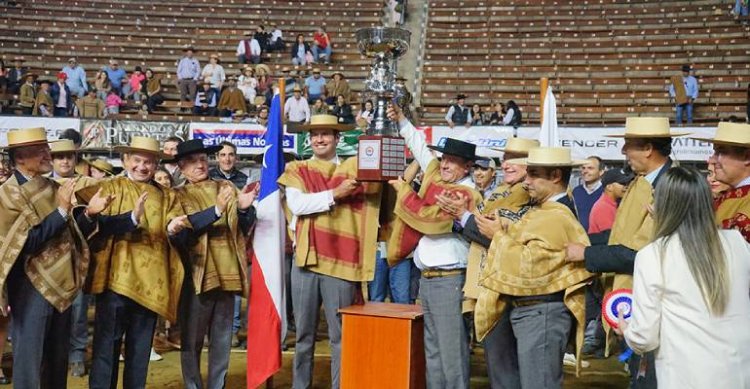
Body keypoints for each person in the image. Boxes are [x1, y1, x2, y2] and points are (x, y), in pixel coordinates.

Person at [565, 117, 688, 389]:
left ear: (647, 148)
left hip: (657, 302)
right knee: (639, 373)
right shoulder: (643, 182)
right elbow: (622, 235)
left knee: (652, 376)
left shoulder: (670, 186)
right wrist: (584, 241)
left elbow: (642, 253)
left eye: (628, 145)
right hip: (637, 298)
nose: (622, 151)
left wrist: (586, 254)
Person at [615, 166, 750, 389]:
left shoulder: (653, 255)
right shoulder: (737, 243)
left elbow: (644, 338)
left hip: (688, 377)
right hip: (739, 372)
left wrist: (626, 329)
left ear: (664, 205)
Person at [278, 115, 381, 389]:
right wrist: (336, 194)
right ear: (308, 139)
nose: (319, 139)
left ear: (338, 138)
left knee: (341, 336)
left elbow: (380, 180)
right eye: (315, 135)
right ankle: (300, 386)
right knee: (303, 336)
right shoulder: (297, 168)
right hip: (305, 261)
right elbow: (297, 206)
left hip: (342, 262)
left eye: (326, 134)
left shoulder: (353, 169)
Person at [387, 104, 484, 388]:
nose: (443, 164)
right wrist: (403, 120)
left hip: (449, 280)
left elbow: (428, 219)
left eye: (452, 161)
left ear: (467, 166)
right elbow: (421, 151)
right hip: (428, 280)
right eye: (444, 159)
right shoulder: (438, 180)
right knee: (433, 350)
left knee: (451, 353)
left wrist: (404, 190)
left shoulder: (465, 194)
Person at [76, 136, 184, 389]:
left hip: (150, 287)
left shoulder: (167, 196)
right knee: (106, 348)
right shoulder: (108, 187)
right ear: (125, 160)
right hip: (115, 283)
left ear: (157, 164)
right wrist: (98, 215)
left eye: (149, 161)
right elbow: (84, 227)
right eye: (137, 160)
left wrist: (173, 229)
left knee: (139, 352)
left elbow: (175, 229)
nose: (142, 167)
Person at [442, 137, 539, 388]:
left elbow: (497, 239)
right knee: (500, 367)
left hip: (513, 291)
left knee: (513, 370)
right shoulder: (498, 193)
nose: (506, 164)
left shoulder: (530, 197)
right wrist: (463, 216)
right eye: (505, 158)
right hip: (491, 287)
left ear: (532, 165)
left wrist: (463, 217)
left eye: (515, 159)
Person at [0, 127, 92, 388]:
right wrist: (62, 210)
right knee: (30, 358)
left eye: (45, 148)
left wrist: (90, 215)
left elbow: (70, 231)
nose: (47, 154)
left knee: (57, 356)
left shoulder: (52, 186)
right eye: (39, 150)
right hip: (28, 287)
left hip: (61, 284)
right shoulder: (7, 194)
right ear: (20, 158)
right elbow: (25, 242)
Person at [169, 140, 257, 388]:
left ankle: (217, 385)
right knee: (192, 340)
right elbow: (181, 236)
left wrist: (243, 210)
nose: (200, 164)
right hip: (195, 276)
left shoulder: (225, 186)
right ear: (181, 168)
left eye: (203, 159)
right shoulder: (176, 195)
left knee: (221, 340)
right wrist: (217, 210)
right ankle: (193, 385)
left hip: (227, 273)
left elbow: (244, 227)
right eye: (193, 161)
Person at [48, 139, 99, 378]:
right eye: (60, 157)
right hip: (48, 256)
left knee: (78, 308)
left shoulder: (88, 184)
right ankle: (54, 356)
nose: (65, 161)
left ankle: (77, 354)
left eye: (69, 156)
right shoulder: (43, 184)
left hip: (79, 254)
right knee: (51, 309)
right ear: (52, 160)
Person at [580, 167, 633, 357]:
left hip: (604, 264)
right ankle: (594, 341)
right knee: (603, 306)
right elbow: (613, 242)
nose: (626, 186)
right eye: (622, 183)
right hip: (604, 266)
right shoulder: (604, 208)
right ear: (609, 186)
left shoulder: (613, 205)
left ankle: (597, 341)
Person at [693, 122, 750, 241]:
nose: (712, 159)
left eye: (721, 152)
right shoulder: (734, 196)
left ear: (747, 157)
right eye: (715, 152)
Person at [572, 156, 605, 232]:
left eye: (590, 168)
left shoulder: (606, 191)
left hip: (600, 238)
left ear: (601, 172)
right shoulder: (576, 191)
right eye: (583, 168)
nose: (585, 171)